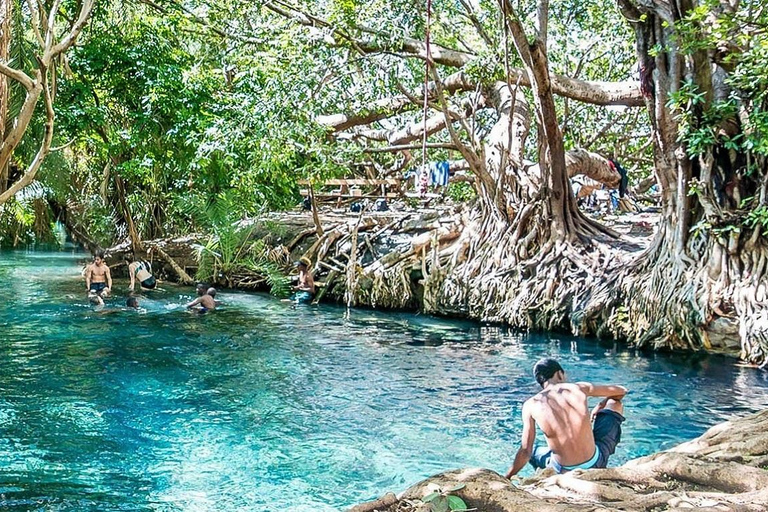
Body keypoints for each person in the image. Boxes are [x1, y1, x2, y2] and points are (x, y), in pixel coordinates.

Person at [505, 358, 627, 478]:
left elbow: (525, 451)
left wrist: (508, 477)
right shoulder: (578, 388)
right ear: (559, 374)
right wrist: (601, 405)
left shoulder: (530, 405)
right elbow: (621, 391)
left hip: (561, 471)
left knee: (534, 452)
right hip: (595, 464)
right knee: (615, 403)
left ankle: (544, 475)